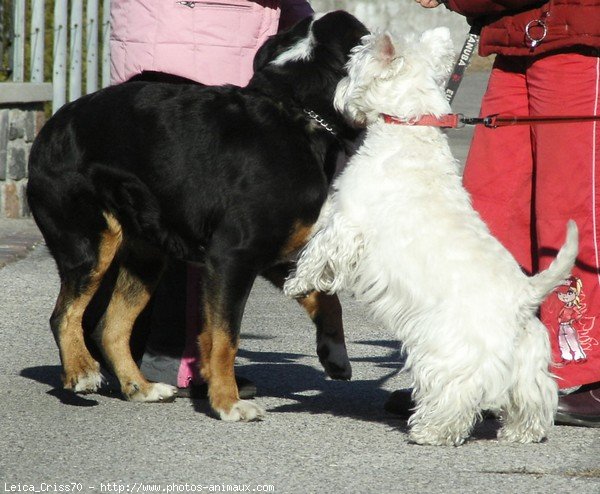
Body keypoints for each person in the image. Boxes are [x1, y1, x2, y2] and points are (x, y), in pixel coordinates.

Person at [385, 0, 600, 427]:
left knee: (572, 211)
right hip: (518, 38)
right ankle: (480, 374)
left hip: (577, 43)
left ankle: (586, 372)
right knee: (488, 208)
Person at [98, 0, 314, 398]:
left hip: (169, 39)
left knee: (150, 214)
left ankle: (131, 348)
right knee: (194, 220)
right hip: (200, 51)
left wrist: (303, 25)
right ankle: (179, 359)